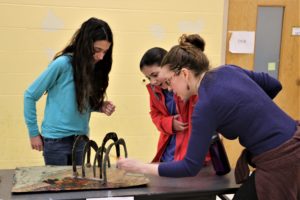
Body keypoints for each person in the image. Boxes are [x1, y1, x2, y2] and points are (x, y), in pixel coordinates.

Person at [118, 34, 300, 200]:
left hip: (282, 160)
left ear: (184, 74)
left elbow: (189, 166)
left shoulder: (204, 106)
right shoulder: (229, 70)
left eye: (168, 81)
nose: (169, 89)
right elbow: (274, 85)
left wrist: (141, 167)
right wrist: (251, 111)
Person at [24, 17, 116, 166]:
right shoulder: (62, 64)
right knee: (59, 187)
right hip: (56, 142)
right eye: (97, 50)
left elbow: (78, 102)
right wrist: (33, 133)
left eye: (105, 52)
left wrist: (99, 106)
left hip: (81, 140)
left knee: (79, 186)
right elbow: (30, 95)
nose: (101, 57)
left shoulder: (93, 67)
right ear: (85, 44)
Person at [140, 47, 210, 163]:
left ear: (167, 68)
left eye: (155, 75)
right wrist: (169, 123)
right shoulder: (154, 90)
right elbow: (155, 114)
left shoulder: (188, 87)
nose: (152, 81)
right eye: (148, 78)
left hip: (190, 152)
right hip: (169, 151)